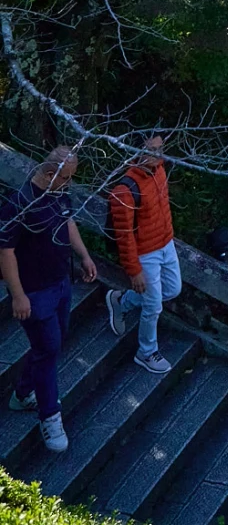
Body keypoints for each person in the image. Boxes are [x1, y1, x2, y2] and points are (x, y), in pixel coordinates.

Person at [0, 146, 99, 454]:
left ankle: (24, 391)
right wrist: (18, 295)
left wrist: (83, 255)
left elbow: (68, 223)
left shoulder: (58, 195)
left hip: (60, 283)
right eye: (65, 177)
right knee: (48, 348)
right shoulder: (20, 204)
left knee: (52, 344)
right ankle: (50, 416)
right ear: (48, 172)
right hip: (34, 290)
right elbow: (6, 251)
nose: (68, 183)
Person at [105, 134, 180, 375]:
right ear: (136, 152)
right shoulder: (124, 190)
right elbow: (123, 235)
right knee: (154, 306)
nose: (158, 155)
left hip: (165, 243)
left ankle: (121, 301)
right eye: (152, 150)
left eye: (160, 149)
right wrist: (134, 270)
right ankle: (146, 352)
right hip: (145, 253)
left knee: (173, 289)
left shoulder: (158, 170)